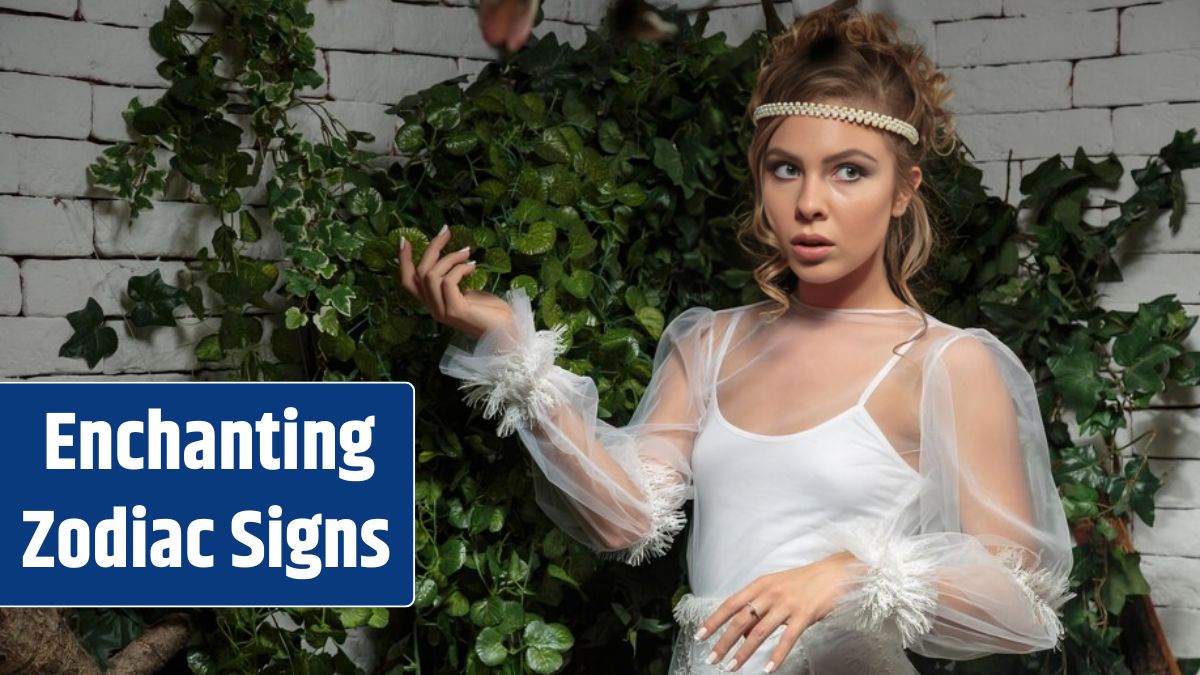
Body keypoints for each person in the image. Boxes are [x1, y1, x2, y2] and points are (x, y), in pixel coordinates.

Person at [396, 3, 1075, 673]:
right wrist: (513, 344)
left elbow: (1020, 600)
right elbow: (622, 519)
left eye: (850, 171)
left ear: (903, 189)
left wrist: (849, 574)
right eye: (787, 169)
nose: (810, 202)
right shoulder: (711, 344)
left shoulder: (948, 362)